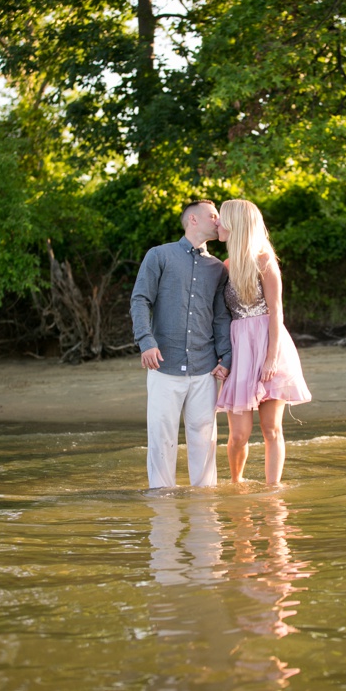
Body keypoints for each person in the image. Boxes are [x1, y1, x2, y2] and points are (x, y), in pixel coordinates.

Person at [130, 200, 233, 488]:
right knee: (161, 440)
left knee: (205, 442)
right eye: (213, 215)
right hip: (164, 365)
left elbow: (221, 317)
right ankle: (163, 515)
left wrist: (226, 357)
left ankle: (205, 516)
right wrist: (145, 341)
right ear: (192, 219)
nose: (218, 221)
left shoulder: (218, 269)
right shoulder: (159, 255)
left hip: (205, 368)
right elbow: (140, 299)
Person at [214, 199, 311, 484]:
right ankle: (237, 483)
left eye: (221, 219)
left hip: (271, 347)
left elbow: (276, 310)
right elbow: (219, 316)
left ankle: (273, 489)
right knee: (239, 435)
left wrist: (271, 358)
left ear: (237, 223)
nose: (217, 223)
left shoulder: (266, 261)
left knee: (271, 429)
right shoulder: (226, 266)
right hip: (240, 351)